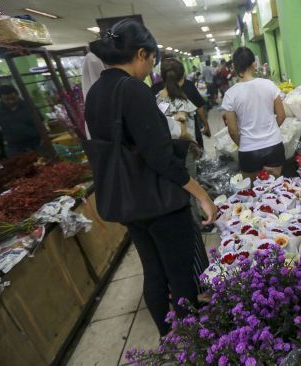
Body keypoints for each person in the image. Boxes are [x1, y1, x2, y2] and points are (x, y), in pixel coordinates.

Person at [84, 18, 216, 336]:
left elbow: (125, 143)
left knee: (154, 271)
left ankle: (167, 335)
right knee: (180, 273)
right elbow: (160, 159)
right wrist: (202, 195)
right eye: (152, 61)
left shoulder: (96, 92)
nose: (151, 70)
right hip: (159, 202)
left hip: (129, 201)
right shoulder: (132, 89)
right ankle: (192, 339)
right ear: (141, 54)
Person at [222, 47, 286, 178]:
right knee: (277, 191)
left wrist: (245, 142)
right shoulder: (269, 85)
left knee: (253, 193)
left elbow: (232, 130)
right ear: (254, 64)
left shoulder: (230, 94)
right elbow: (281, 115)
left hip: (248, 150)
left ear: (234, 66)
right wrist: (270, 130)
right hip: (274, 146)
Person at [151, 59, 210, 140]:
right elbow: (183, 134)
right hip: (183, 149)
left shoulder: (155, 97)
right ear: (182, 78)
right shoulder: (181, 102)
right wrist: (194, 144)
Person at [0, 85, 41, 158]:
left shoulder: (28, 105)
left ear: (17, 95)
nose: (11, 101)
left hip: (36, 143)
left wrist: (45, 138)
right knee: (19, 167)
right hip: (14, 147)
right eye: (6, 99)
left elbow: (41, 122)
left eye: (13, 98)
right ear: (0, 98)